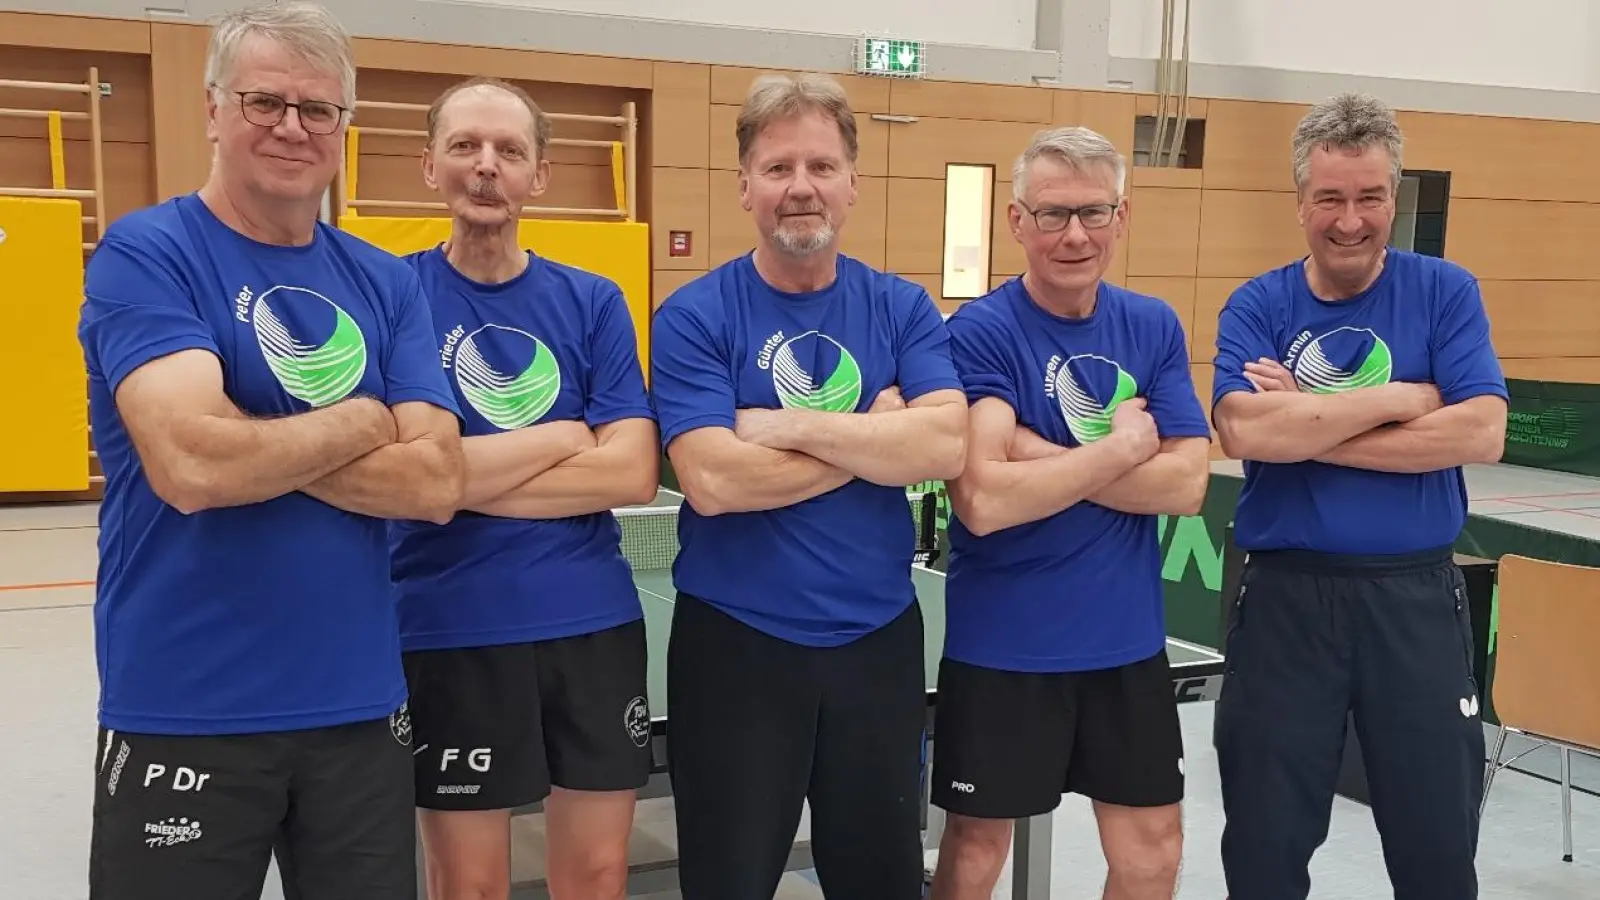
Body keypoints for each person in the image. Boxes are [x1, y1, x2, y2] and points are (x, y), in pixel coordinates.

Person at [75, 3, 466, 899]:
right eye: (264, 102)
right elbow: (196, 467)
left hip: (363, 707)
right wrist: (369, 418)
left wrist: (253, 434)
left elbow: (438, 481)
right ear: (214, 109)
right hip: (185, 702)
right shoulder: (149, 253)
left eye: (317, 109)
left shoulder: (383, 279)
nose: (292, 126)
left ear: (342, 128)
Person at [647, 72, 968, 900]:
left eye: (821, 166)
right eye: (779, 167)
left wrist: (780, 424)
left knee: (883, 881)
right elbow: (712, 480)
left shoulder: (900, 306)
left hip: (878, 643)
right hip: (735, 647)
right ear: (745, 185)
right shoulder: (695, 314)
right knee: (730, 882)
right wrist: (873, 431)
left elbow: (944, 440)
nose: (801, 187)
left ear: (853, 183)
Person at [1210, 92, 1507, 900]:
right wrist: (1405, 396)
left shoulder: (1445, 291)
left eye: (1370, 197)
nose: (1351, 220)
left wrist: (1310, 423)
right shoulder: (1259, 304)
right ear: (1301, 201)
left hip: (1413, 603)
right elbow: (1247, 433)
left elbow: (1480, 432)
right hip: (1286, 606)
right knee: (1265, 853)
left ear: (1394, 197)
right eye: (1331, 199)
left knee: (1437, 850)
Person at [387, 76, 660, 900]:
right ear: (429, 164)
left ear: (538, 175)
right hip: (449, 627)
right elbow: (403, 483)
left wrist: (454, 476)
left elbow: (632, 471)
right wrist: (559, 436)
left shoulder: (592, 300)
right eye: (465, 146)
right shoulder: (390, 295)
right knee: (467, 885)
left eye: (509, 151)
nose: (486, 167)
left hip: (593, 625)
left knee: (600, 874)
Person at [927, 126, 1212, 900]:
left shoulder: (1151, 324)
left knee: (1153, 851)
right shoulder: (979, 331)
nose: (1075, 234)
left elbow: (1187, 483)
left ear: (1123, 217)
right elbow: (983, 500)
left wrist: (1035, 452)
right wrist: (1121, 451)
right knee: (978, 850)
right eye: (1053, 214)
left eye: (1094, 212)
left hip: (1123, 642)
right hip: (1005, 646)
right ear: (1017, 221)